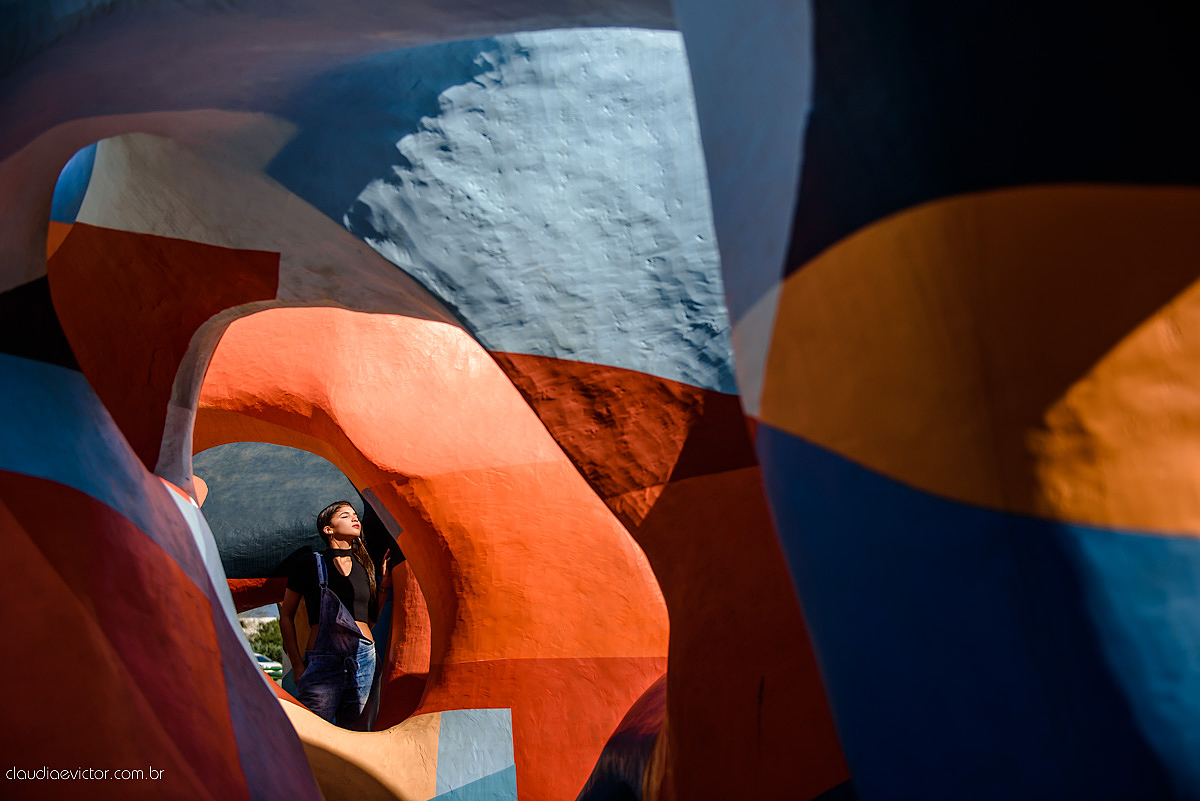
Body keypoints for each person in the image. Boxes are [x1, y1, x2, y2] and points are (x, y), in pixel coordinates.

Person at [280, 500, 391, 729]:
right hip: (323, 661)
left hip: (364, 660)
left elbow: (370, 620)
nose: (354, 518)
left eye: (355, 515)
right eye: (345, 515)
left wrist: (384, 586)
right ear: (328, 529)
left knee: (358, 736)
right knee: (312, 733)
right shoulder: (310, 562)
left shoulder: (365, 566)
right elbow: (286, 615)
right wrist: (297, 665)